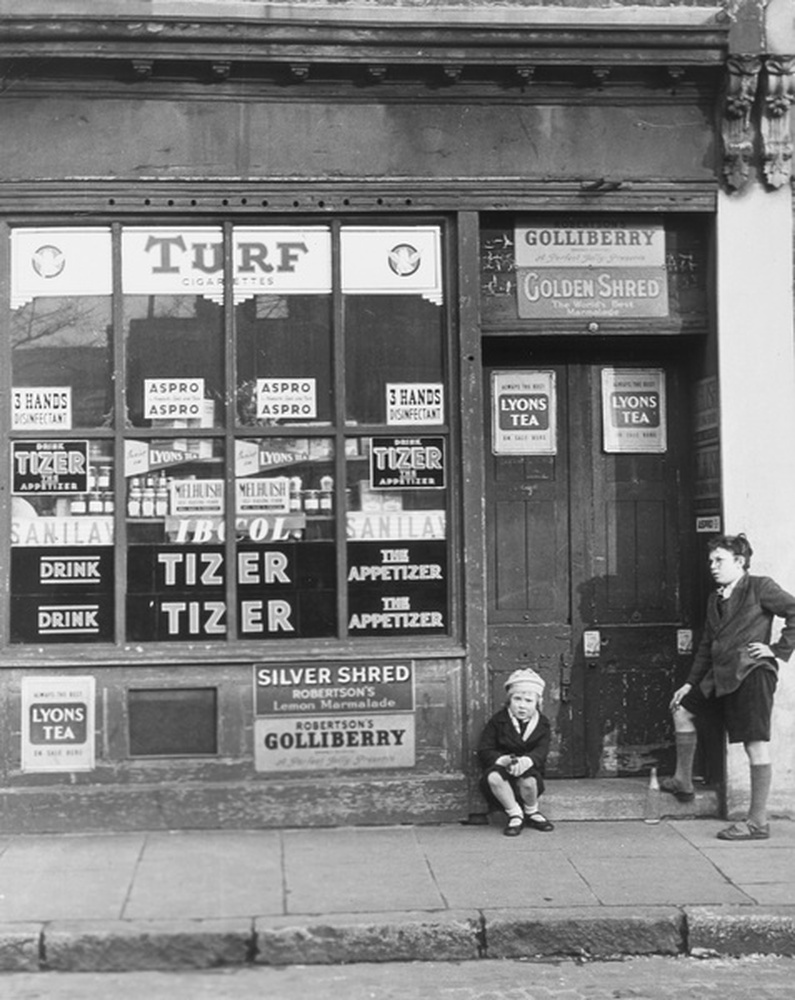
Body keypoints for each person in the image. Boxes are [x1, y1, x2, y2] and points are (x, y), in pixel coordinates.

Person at [664, 533, 795, 841]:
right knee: (682, 709)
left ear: (740, 562)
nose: (713, 566)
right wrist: (689, 684)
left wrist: (776, 650)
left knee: (754, 744)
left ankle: (757, 822)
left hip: (752, 674)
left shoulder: (760, 587)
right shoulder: (716, 598)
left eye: (719, 560)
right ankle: (683, 780)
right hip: (719, 676)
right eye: (711, 561)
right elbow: (707, 646)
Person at [477, 667, 554, 836]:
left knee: (529, 781)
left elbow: (542, 750)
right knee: (494, 778)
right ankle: (514, 813)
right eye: (517, 699)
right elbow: (485, 749)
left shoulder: (542, 724)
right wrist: (502, 760)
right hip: (503, 767)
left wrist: (528, 761)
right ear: (509, 700)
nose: (522, 705)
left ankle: (531, 811)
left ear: (537, 703)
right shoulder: (498, 721)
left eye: (528, 701)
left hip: (527, 768)